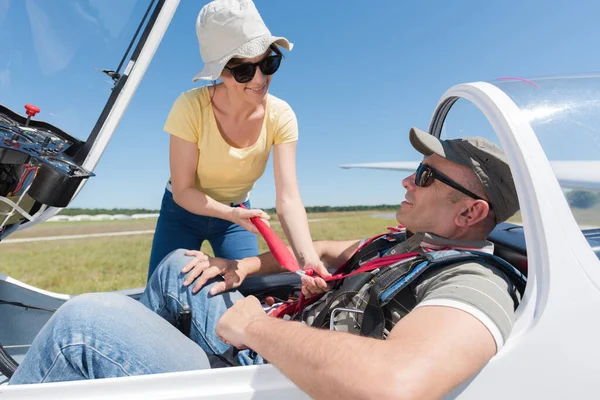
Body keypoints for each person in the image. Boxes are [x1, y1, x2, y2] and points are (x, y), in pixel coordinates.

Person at [10, 128, 522, 400]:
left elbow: (396, 386)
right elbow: (323, 252)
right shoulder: (407, 241)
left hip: (278, 378)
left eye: (425, 176)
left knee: (84, 324)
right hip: (271, 345)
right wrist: (242, 271)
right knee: (180, 266)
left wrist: (257, 327)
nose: (407, 182)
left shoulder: (474, 281)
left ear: (471, 212)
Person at [147, 0, 326, 281]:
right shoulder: (190, 107)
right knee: (162, 286)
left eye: (269, 63)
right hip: (181, 211)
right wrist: (229, 215)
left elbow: (288, 197)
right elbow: (183, 191)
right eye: (244, 71)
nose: (259, 78)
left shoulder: (282, 115)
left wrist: (308, 257)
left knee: (248, 290)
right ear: (219, 72)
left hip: (237, 215)